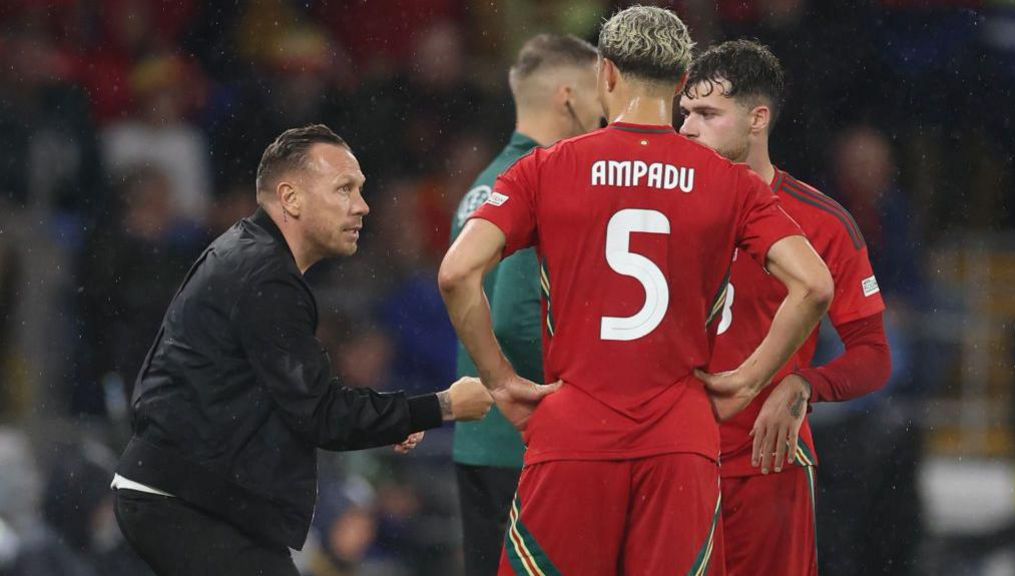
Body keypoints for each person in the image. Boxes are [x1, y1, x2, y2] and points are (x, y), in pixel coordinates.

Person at [439, 7, 834, 574]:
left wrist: (500, 381)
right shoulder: (729, 182)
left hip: (574, 427)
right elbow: (814, 286)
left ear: (606, 75)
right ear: (679, 85)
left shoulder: (545, 168)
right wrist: (747, 380)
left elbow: (456, 274)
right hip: (681, 435)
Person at [110, 124, 494, 576]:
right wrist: (444, 405)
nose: (362, 206)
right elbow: (322, 415)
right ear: (290, 198)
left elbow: (284, 398)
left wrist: (389, 419)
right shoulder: (266, 277)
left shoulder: (250, 257)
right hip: (187, 503)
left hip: (186, 496)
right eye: (344, 189)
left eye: (361, 190)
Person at [679, 40, 893, 575]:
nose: (686, 130)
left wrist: (805, 385)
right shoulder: (654, 211)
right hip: (667, 456)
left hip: (765, 462)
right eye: (684, 114)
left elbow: (872, 354)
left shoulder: (821, 223)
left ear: (758, 118)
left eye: (707, 114)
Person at [448, 33, 604, 576]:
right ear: (568, 98)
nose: (608, 114)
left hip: (481, 440)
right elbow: (518, 314)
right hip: (528, 443)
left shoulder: (482, 185)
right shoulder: (541, 185)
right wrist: (580, 398)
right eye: (600, 97)